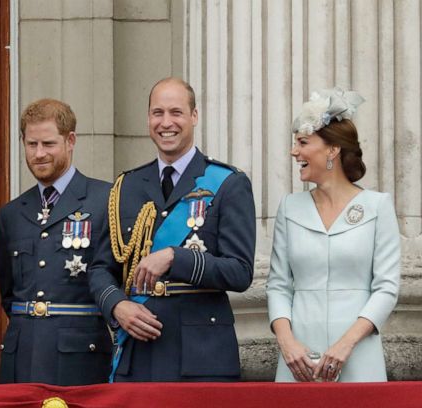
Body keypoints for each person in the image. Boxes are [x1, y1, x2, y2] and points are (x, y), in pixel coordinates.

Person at [89, 78, 256, 381]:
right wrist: (118, 306)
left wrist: (174, 258)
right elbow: (101, 267)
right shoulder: (126, 186)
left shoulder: (228, 183)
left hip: (202, 356)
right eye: (158, 113)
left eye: (176, 112)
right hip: (139, 354)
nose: (166, 122)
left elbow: (240, 272)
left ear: (194, 116)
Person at [267, 88, 400, 382]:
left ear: (332, 150)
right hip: (297, 360)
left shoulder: (377, 206)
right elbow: (278, 285)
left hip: (358, 353)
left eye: (302, 142)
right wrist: (287, 343)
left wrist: (345, 344)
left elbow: (387, 288)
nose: (294, 151)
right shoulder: (290, 208)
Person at [0, 98, 113, 385]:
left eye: (48, 144)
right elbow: (9, 294)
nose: (38, 154)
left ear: (70, 140)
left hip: (80, 357)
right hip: (21, 354)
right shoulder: (11, 213)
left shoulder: (105, 200)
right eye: (31, 144)